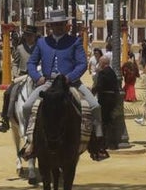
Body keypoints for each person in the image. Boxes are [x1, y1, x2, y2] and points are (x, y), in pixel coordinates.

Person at [20, 9, 107, 161]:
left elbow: (82, 64)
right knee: (27, 107)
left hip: (71, 83)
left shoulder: (74, 41)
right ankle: (30, 141)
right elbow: (31, 63)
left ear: (66, 25)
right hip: (48, 82)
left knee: (95, 106)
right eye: (55, 24)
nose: (58, 27)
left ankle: (97, 143)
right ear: (50, 26)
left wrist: (70, 77)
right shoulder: (42, 42)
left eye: (61, 24)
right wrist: (37, 77)